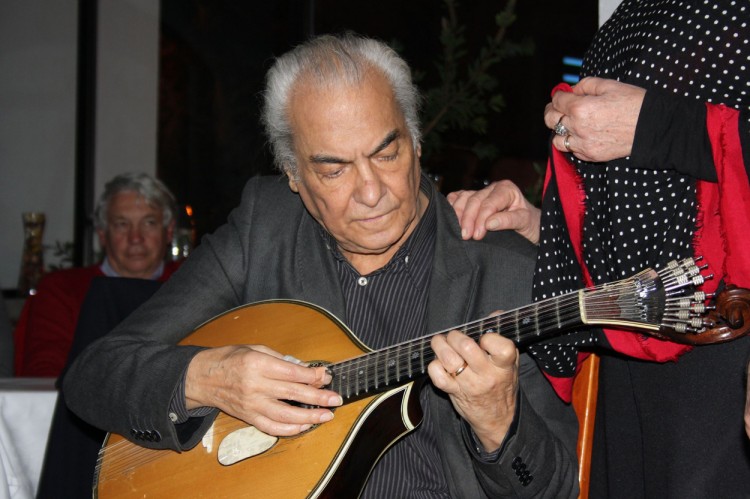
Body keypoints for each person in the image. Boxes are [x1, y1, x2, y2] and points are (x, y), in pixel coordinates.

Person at [63, 33, 578, 498]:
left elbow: (556, 487)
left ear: (416, 142)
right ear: (292, 175)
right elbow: (95, 374)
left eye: (386, 154)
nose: (372, 192)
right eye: (333, 170)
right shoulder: (266, 230)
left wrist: (499, 422)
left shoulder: (503, 266)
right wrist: (207, 378)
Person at [449, 0, 750, 497]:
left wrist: (655, 124)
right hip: (631, 349)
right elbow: (653, 208)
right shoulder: (631, 14)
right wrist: (541, 229)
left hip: (728, 347)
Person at [13, 172, 181, 377]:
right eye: (122, 224)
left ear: (169, 231)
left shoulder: (193, 286)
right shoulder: (62, 290)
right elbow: (44, 373)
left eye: (149, 223)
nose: (135, 237)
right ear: (102, 235)